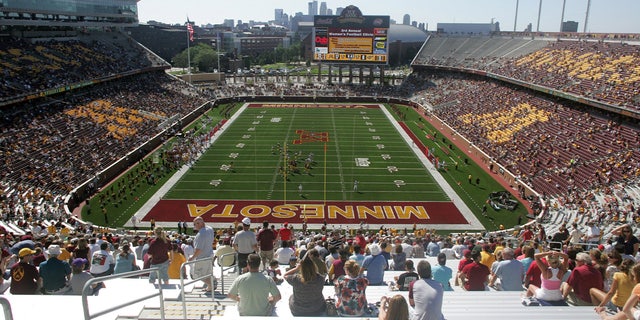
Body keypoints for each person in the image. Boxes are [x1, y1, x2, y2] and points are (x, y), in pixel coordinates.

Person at [283, 251, 326, 316]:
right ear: (314, 267)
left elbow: (285, 275)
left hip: (298, 310)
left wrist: (296, 268)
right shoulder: (320, 279)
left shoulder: (295, 279)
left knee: (291, 297)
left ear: (302, 268)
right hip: (317, 309)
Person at [189, 216, 215, 292]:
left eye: (195, 224)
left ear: (200, 224)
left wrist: (192, 258)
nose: (195, 226)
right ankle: (210, 288)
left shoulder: (201, 234)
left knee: (197, 274)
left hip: (202, 257)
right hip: (209, 254)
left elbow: (199, 249)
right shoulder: (210, 229)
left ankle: (212, 284)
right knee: (207, 273)